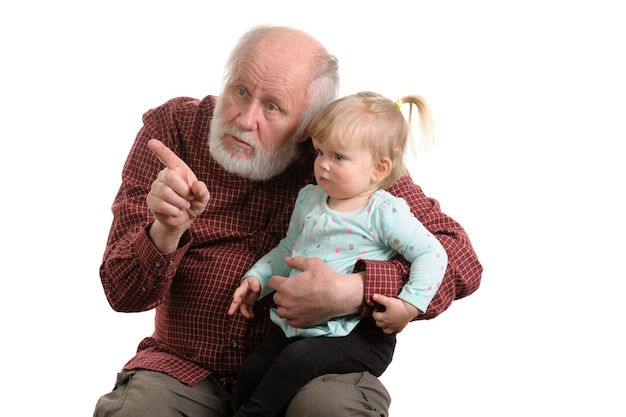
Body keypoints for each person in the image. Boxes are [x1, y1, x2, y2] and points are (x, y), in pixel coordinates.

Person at [94, 24, 483, 417]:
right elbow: (121, 294)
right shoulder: (174, 129)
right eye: (241, 91)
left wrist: (354, 290)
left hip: (315, 367)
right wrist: (165, 230)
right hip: (184, 367)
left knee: (331, 410)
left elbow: (459, 258)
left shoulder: (344, 155)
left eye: (272, 107)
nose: (245, 120)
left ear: (308, 127)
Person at [228, 91, 448, 416]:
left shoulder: (383, 211)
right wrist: (258, 279)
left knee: (293, 364)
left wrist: (410, 305)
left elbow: (433, 254)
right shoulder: (310, 199)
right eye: (320, 152)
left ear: (378, 168)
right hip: (298, 328)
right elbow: (289, 248)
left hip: (358, 335)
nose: (323, 165)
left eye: (338, 157)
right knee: (251, 370)